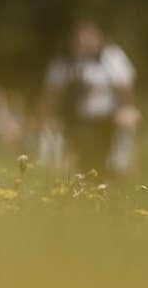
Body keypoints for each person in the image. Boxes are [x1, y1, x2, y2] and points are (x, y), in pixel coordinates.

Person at [38, 20, 139, 180]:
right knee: (72, 165)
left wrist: (127, 109)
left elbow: (125, 87)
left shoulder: (111, 57)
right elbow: (52, 93)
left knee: (112, 164)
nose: (84, 42)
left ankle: (111, 189)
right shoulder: (64, 61)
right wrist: (46, 118)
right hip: (75, 121)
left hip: (108, 121)